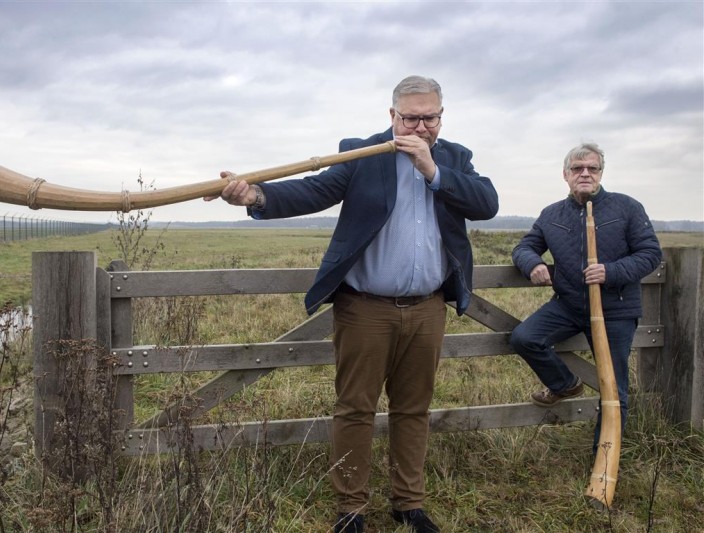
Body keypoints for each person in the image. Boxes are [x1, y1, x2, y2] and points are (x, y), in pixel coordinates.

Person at [205, 75, 498, 533]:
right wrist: (256, 195)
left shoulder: (455, 158)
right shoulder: (363, 154)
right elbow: (311, 191)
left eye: (430, 118)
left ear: (442, 116)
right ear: (392, 116)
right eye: (411, 118)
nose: (421, 128)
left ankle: (409, 503)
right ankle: (351, 509)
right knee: (355, 408)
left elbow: (487, 204)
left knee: (412, 408)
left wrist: (433, 170)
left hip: (427, 308)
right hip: (366, 309)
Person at [509, 142, 662, 451]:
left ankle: (604, 459)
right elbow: (524, 247)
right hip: (568, 306)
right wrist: (533, 263)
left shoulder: (626, 207)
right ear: (566, 174)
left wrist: (611, 271)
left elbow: (650, 254)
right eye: (578, 168)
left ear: (601, 173)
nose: (585, 173)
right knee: (524, 338)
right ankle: (565, 384)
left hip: (615, 310)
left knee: (613, 388)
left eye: (592, 168)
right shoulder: (552, 214)